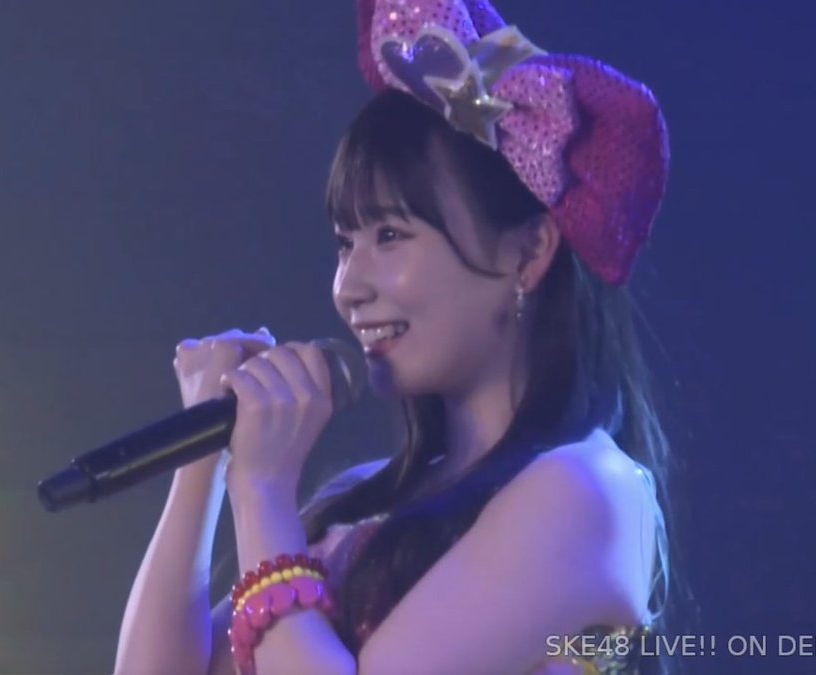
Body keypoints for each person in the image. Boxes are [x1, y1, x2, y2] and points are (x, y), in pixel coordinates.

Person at [113, 0, 674, 673]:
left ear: (528, 253)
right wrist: (203, 467)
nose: (348, 287)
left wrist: (262, 491)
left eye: (389, 235)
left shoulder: (587, 492)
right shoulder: (361, 500)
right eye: (345, 243)